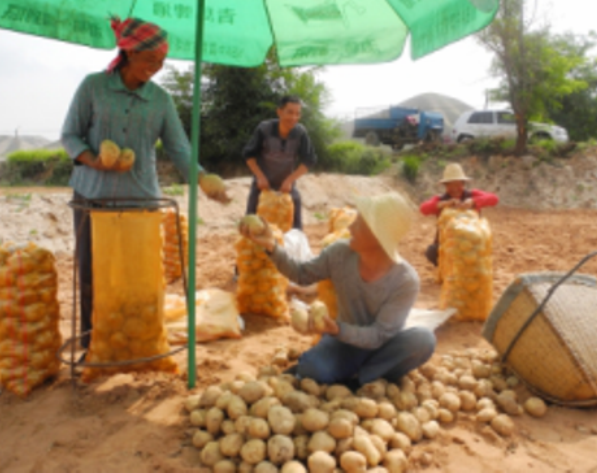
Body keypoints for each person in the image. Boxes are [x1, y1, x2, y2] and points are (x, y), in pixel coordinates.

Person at [61, 17, 227, 351]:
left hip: (140, 199)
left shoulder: (161, 100)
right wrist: (94, 159)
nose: (156, 68)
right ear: (128, 52)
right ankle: (94, 341)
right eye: (150, 60)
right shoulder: (93, 87)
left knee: (140, 275)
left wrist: (203, 179)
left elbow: (179, 148)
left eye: (161, 62)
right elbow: (69, 135)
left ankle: (136, 339)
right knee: (94, 274)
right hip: (93, 197)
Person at [239, 192, 436, 388]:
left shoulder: (405, 281)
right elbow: (301, 274)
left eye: (358, 224)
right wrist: (271, 246)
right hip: (344, 342)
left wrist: (336, 329)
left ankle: (356, 379)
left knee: (423, 340)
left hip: (384, 346)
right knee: (310, 369)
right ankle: (367, 376)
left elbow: (379, 335)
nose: (350, 227)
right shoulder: (340, 253)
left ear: (378, 235)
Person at [243, 95, 317, 230]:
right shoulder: (264, 129)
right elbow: (249, 155)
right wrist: (260, 177)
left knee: (296, 228)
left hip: (286, 187)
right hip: (262, 185)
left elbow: (309, 160)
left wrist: (289, 180)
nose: (294, 117)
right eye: (290, 112)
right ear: (279, 112)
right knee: (250, 225)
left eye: (297, 114)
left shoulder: (300, 132)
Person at [420, 163, 498, 267]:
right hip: (448, 244)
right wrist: (443, 204)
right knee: (432, 252)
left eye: (458, 185)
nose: (454, 188)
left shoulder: (472, 195)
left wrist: (474, 201)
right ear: (445, 186)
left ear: (463, 183)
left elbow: (494, 199)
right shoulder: (441, 199)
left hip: (472, 243)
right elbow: (423, 209)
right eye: (450, 185)